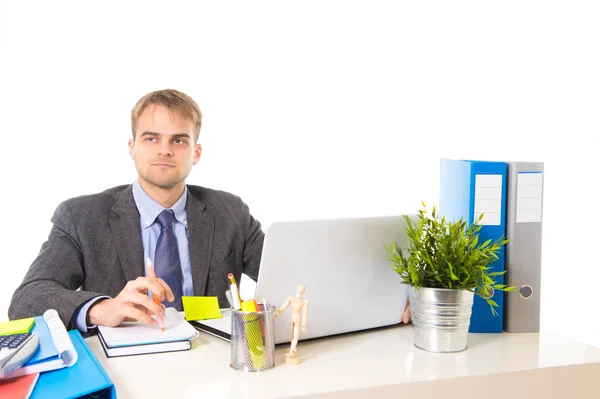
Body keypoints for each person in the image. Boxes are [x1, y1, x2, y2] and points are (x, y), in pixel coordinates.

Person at [8, 89, 265, 333]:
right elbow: (27, 298)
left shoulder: (230, 212)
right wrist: (101, 308)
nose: (164, 149)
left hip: (211, 363)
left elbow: (285, 273)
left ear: (196, 153)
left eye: (178, 140)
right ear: (132, 148)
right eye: (151, 138)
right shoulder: (82, 217)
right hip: (124, 365)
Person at [274, 284, 309, 364]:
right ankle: (292, 349)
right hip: (294, 318)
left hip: (297, 318)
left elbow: (305, 314)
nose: (300, 290)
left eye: (302, 289)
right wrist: (278, 312)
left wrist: (304, 324)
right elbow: (283, 307)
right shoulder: (292, 299)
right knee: (292, 334)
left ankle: (292, 350)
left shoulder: (303, 302)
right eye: (300, 289)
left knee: (295, 335)